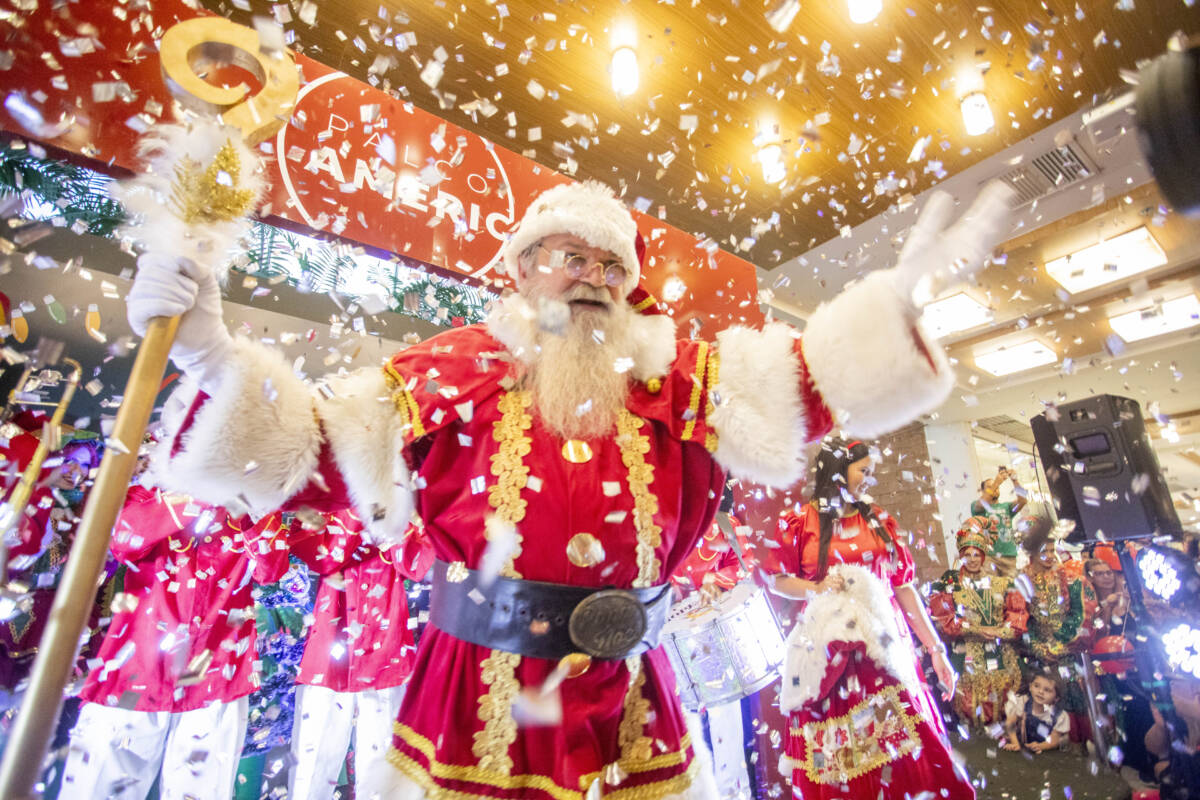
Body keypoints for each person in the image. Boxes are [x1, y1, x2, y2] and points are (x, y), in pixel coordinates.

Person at [126, 174, 1013, 798]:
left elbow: (812, 386)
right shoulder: (453, 373)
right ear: (519, 271)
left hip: (634, 691)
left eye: (611, 268)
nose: (592, 280)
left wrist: (899, 309)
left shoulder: (679, 378)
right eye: (570, 259)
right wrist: (208, 352)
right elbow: (309, 452)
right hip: (477, 694)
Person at [769, 438, 974, 799]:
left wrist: (935, 649)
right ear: (837, 472)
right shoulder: (800, 522)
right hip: (829, 661)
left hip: (884, 651)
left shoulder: (879, 520)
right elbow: (779, 580)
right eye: (863, 471)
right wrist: (816, 587)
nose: (868, 479)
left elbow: (903, 587)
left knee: (900, 752)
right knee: (842, 761)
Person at [59, 483, 288, 800]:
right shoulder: (146, 486)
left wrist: (253, 511)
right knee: (98, 787)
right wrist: (198, 491)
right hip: (136, 671)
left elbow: (271, 570)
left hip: (217, 675)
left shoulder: (255, 497)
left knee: (202, 791)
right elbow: (122, 540)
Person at [286, 509, 434, 800]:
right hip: (328, 652)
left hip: (387, 651)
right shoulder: (327, 495)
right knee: (311, 765)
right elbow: (321, 557)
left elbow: (415, 566)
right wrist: (357, 510)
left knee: (382, 771)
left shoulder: (402, 500)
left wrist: (391, 517)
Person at [929, 518, 1029, 727]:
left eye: (976, 554)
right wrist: (976, 629)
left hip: (1000, 651)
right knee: (969, 702)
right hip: (967, 653)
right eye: (967, 555)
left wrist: (1001, 631)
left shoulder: (1002, 583)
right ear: (961, 557)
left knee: (1007, 695)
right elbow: (946, 620)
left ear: (983, 556)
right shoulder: (950, 585)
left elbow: (1017, 615)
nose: (972, 560)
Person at [970, 466, 1026, 575]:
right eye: (990, 487)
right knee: (992, 590)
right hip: (989, 557)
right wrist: (996, 482)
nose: (995, 488)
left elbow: (1023, 501)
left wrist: (1014, 480)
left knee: (1010, 590)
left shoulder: (1007, 507)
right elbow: (982, 504)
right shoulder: (977, 507)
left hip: (1009, 557)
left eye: (997, 487)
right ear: (982, 491)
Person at [1003, 672, 1069, 753]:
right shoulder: (1023, 701)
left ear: (1057, 698)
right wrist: (1015, 743)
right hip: (1021, 747)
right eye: (1036, 686)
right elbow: (1010, 723)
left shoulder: (1060, 716)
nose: (1040, 691)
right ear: (1030, 686)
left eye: (1047, 690)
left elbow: (1054, 740)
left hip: (1046, 755)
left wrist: (1040, 746)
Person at [1084, 556, 1130, 636]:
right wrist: (1106, 604)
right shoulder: (1089, 604)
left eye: (1109, 572)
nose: (1106, 577)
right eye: (1099, 574)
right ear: (1090, 578)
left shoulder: (1125, 596)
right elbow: (1094, 632)